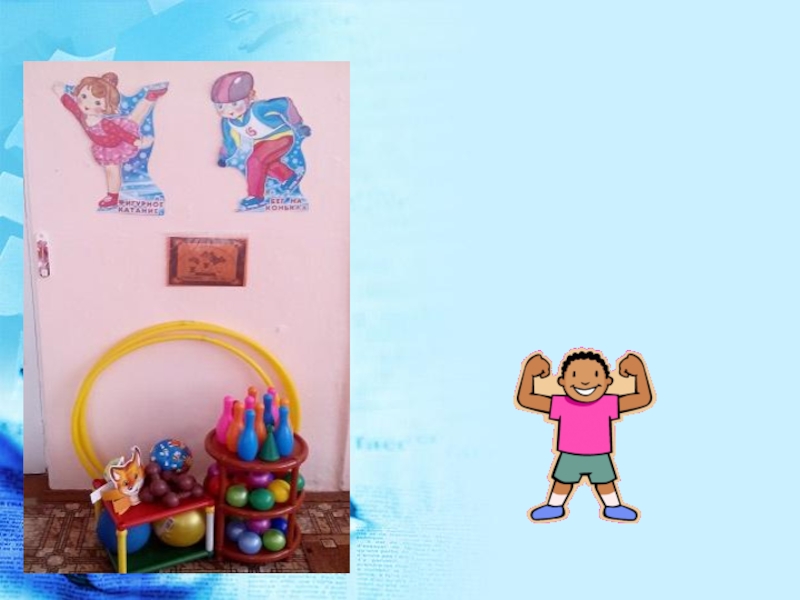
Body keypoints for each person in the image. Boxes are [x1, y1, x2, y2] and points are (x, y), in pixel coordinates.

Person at [515, 349, 654, 522]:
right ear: (562, 381)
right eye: (574, 375)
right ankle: (554, 506)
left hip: (599, 455)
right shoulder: (561, 404)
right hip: (569, 455)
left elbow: (642, 399)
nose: (585, 381)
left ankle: (613, 506)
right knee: (562, 482)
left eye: (595, 375)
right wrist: (529, 372)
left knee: (605, 483)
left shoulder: (608, 403)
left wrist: (639, 371)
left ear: (608, 381)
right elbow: (526, 399)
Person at [53, 72, 168, 210]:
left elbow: (123, 134)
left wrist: (138, 143)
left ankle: (113, 197)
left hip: (119, 143)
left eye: (97, 102)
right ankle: (150, 97)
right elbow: (71, 106)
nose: (87, 104)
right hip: (105, 146)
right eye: (84, 96)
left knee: (134, 120)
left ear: (105, 106)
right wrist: (61, 94)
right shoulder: (82, 115)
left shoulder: (106, 124)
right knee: (134, 118)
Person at [211, 71, 311, 211]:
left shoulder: (258, 109)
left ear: (250, 96)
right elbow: (229, 142)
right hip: (261, 143)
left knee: (254, 161)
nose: (229, 111)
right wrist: (224, 157)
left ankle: (256, 197)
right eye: (220, 107)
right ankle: (288, 177)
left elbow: (284, 103)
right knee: (262, 165)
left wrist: (298, 125)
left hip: (280, 137)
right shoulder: (227, 122)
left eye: (234, 104)